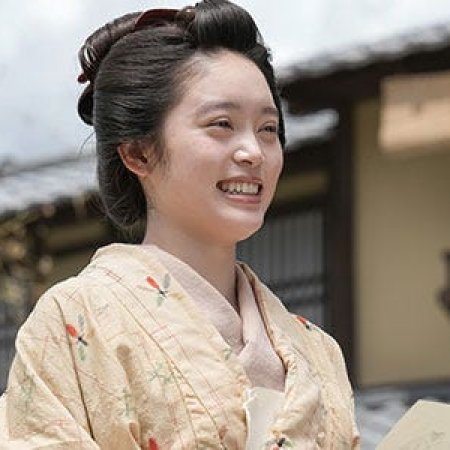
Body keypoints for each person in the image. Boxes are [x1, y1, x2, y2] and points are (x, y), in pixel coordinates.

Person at [0, 1, 360, 448]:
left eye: (268, 129)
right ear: (139, 152)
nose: (254, 152)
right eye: (221, 124)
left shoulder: (319, 351)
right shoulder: (75, 319)